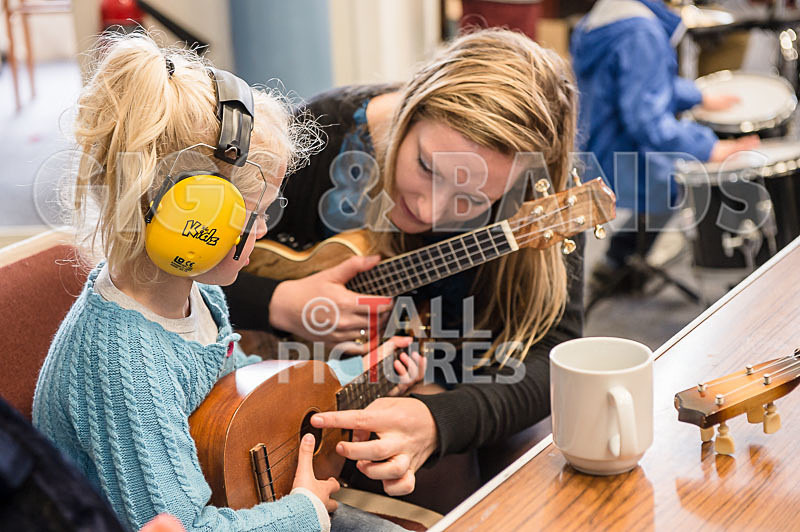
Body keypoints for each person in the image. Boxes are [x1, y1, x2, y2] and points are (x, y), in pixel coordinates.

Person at [31, 33, 421, 532]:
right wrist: (301, 510)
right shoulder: (125, 367)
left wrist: (355, 375)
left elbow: (237, 393)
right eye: (256, 216)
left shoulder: (193, 292)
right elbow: (185, 527)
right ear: (192, 223)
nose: (264, 230)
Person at [223, 28, 584, 503]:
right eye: (426, 167)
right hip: (286, 386)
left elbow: (556, 357)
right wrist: (279, 302)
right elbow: (176, 272)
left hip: (455, 388)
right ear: (412, 109)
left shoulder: (542, 203)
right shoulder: (323, 134)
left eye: (472, 200)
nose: (431, 210)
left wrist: (440, 421)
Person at [570, 0, 759, 295]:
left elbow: (638, 81)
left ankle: (620, 260)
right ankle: (621, 260)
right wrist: (709, 148)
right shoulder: (641, 33)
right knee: (687, 179)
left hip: (592, 149)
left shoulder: (603, 15)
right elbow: (647, 122)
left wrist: (697, 96)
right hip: (622, 162)